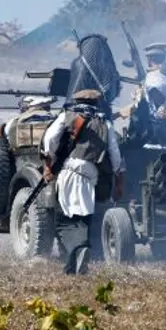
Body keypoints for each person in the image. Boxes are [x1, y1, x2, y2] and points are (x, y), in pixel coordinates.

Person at [41, 88, 126, 275]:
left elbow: (50, 139)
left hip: (70, 170)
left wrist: (49, 162)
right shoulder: (105, 123)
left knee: (63, 221)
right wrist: (118, 175)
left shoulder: (67, 116)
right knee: (84, 218)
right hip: (90, 174)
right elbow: (115, 154)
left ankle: (81, 247)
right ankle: (73, 265)